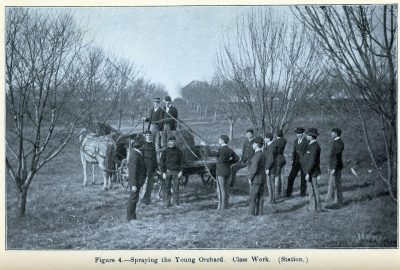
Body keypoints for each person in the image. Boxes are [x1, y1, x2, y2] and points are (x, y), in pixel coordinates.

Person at [209, 135, 239, 210]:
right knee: (226, 189)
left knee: (221, 190)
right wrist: (229, 163)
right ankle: (225, 206)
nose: (218, 141)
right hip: (228, 172)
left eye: (219, 139)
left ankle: (222, 207)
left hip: (220, 173)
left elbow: (209, 154)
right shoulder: (229, 150)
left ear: (222, 140)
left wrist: (204, 146)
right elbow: (237, 158)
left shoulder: (220, 150)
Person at [301, 128, 322, 212]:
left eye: (308, 135)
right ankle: (316, 208)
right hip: (312, 171)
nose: (306, 136)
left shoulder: (314, 146)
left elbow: (312, 161)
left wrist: (308, 173)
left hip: (312, 172)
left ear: (311, 136)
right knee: (313, 189)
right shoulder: (312, 145)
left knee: (312, 190)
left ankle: (314, 208)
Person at [160, 136, 184, 207]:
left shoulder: (179, 151)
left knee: (176, 188)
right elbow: (162, 162)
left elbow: (182, 162)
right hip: (168, 172)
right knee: (167, 188)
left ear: (175, 142)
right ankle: (168, 203)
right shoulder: (165, 151)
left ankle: (176, 202)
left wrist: (181, 171)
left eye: (173, 141)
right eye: (171, 141)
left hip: (176, 172)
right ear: (168, 142)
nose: (172, 142)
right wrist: (163, 172)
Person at [126, 136, 146, 221]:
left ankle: (132, 215)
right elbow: (133, 171)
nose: (143, 147)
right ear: (140, 146)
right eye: (143, 145)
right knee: (133, 199)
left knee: (134, 199)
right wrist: (134, 184)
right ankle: (130, 217)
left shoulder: (136, 153)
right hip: (135, 182)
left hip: (137, 181)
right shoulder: (135, 155)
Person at [286, 127, 308, 197]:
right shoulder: (295, 141)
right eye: (297, 134)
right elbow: (293, 151)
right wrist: (292, 159)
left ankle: (302, 194)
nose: (298, 135)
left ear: (303, 134)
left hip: (304, 162)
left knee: (303, 178)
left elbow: (308, 152)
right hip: (296, 162)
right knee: (290, 177)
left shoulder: (306, 141)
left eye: (300, 134)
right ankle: (288, 193)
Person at [325, 128, 344, 207]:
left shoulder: (339, 143)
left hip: (336, 167)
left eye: (332, 133)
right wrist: (330, 167)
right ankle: (336, 201)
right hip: (333, 167)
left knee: (334, 185)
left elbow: (337, 157)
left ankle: (331, 203)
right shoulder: (336, 142)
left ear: (336, 134)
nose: (331, 134)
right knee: (334, 184)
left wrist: (334, 168)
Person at [247, 136, 266, 216]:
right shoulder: (262, 154)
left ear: (257, 144)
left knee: (252, 198)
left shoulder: (256, 156)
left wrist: (250, 178)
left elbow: (254, 169)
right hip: (262, 178)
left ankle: (251, 215)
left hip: (256, 179)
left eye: (254, 143)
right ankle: (260, 213)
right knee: (260, 197)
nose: (252, 145)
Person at [139, 130, 158, 205]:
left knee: (150, 185)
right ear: (145, 136)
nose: (149, 137)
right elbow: (141, 158)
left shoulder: (153, 145)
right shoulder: (143, 146)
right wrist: (143, 169)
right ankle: (141, 200)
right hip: (145, 169)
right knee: (145, 185)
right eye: (147, 136)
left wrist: (156, 166)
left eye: (150, 135)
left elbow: (154, 157)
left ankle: (148, 200)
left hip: (152, 168)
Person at [264, 132, 277, 203]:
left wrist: (267, 168)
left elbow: (271, 159)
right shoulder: (269, 145)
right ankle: (272, 198)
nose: (264, 139)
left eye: (265, 138)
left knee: (270, 184)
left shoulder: (271, 146)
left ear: (269, 139)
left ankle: (272, 199)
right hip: (270, 168)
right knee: (270, 184)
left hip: (270, 169)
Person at [274, 129, 287, 197]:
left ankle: (276, 192)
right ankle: (282, 192)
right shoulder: (284, 140)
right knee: (282, 176)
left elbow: (274, 151)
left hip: (277, 160)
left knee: (277, 176)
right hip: (282, 158)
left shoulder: (276, 141)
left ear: (276, 135)